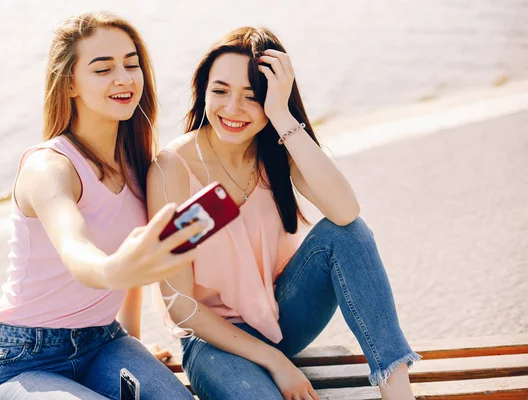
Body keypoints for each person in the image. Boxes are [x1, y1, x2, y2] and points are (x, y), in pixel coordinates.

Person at [147, 26, 420, 400]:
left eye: (252, 96)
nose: (232, 109)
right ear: (203, 90)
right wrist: (276, 362)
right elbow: (180, 304)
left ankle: (397, 391)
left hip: (281, 317)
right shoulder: (172, 168)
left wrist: (280, 114)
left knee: (348, 234)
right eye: (220, 90)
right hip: (213, 342)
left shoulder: (275, 149)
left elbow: (345, 212)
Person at [0, 12, 201, 400]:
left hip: (104, 343)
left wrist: (134, 341)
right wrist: (114, 268)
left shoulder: (136, 163)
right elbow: (75, 249)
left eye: (132, 65)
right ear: (69, 85)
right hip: (25, 359)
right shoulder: (49, 165)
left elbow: (131, 263)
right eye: (103, 69)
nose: (124, 78)